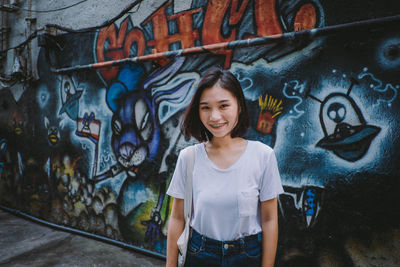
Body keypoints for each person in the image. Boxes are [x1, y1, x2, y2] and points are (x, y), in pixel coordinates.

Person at [166, 67, 284, 267]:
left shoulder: (263, 156)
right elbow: (177, 218)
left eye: (223, 106)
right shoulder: (189, 158)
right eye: (205, 107)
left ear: (239, 105)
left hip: (247, 256)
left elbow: (270, 219)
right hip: (199, 254)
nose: (214, 117)